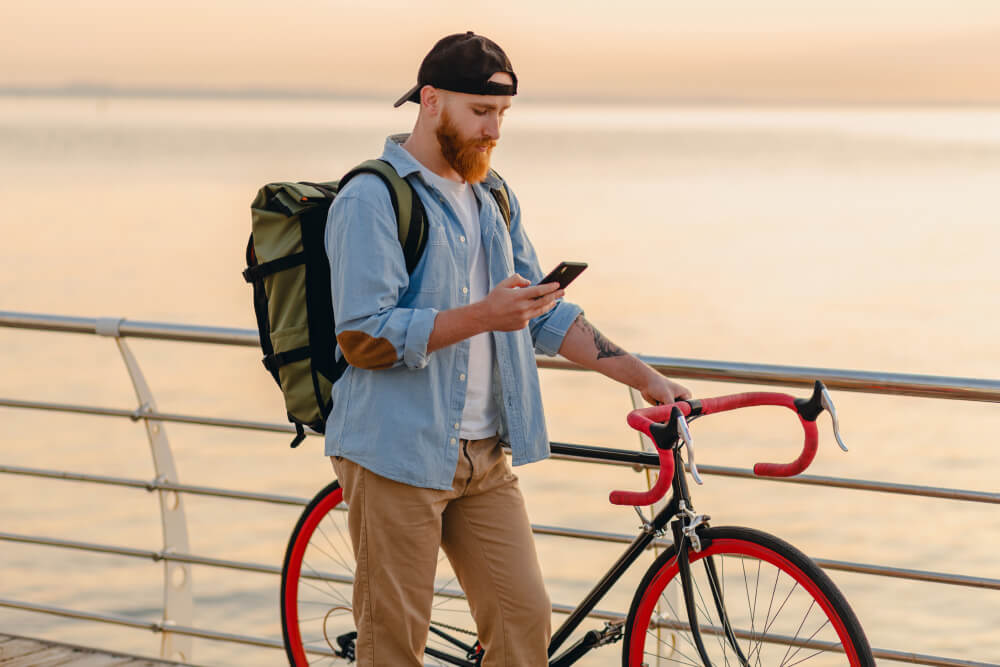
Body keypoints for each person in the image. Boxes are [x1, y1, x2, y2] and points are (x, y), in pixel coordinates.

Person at [325, 31, 691, 666]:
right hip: (394, 454)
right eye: (481, 112)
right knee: (393, 646)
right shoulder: (372, 198)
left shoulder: (493, 196)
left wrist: (641, 375)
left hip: (484, 459)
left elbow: (539, 314)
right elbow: (363, 336)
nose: (494, 130)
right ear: (431, 100)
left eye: (503, 115)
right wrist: (482, 316)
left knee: (524, 628)